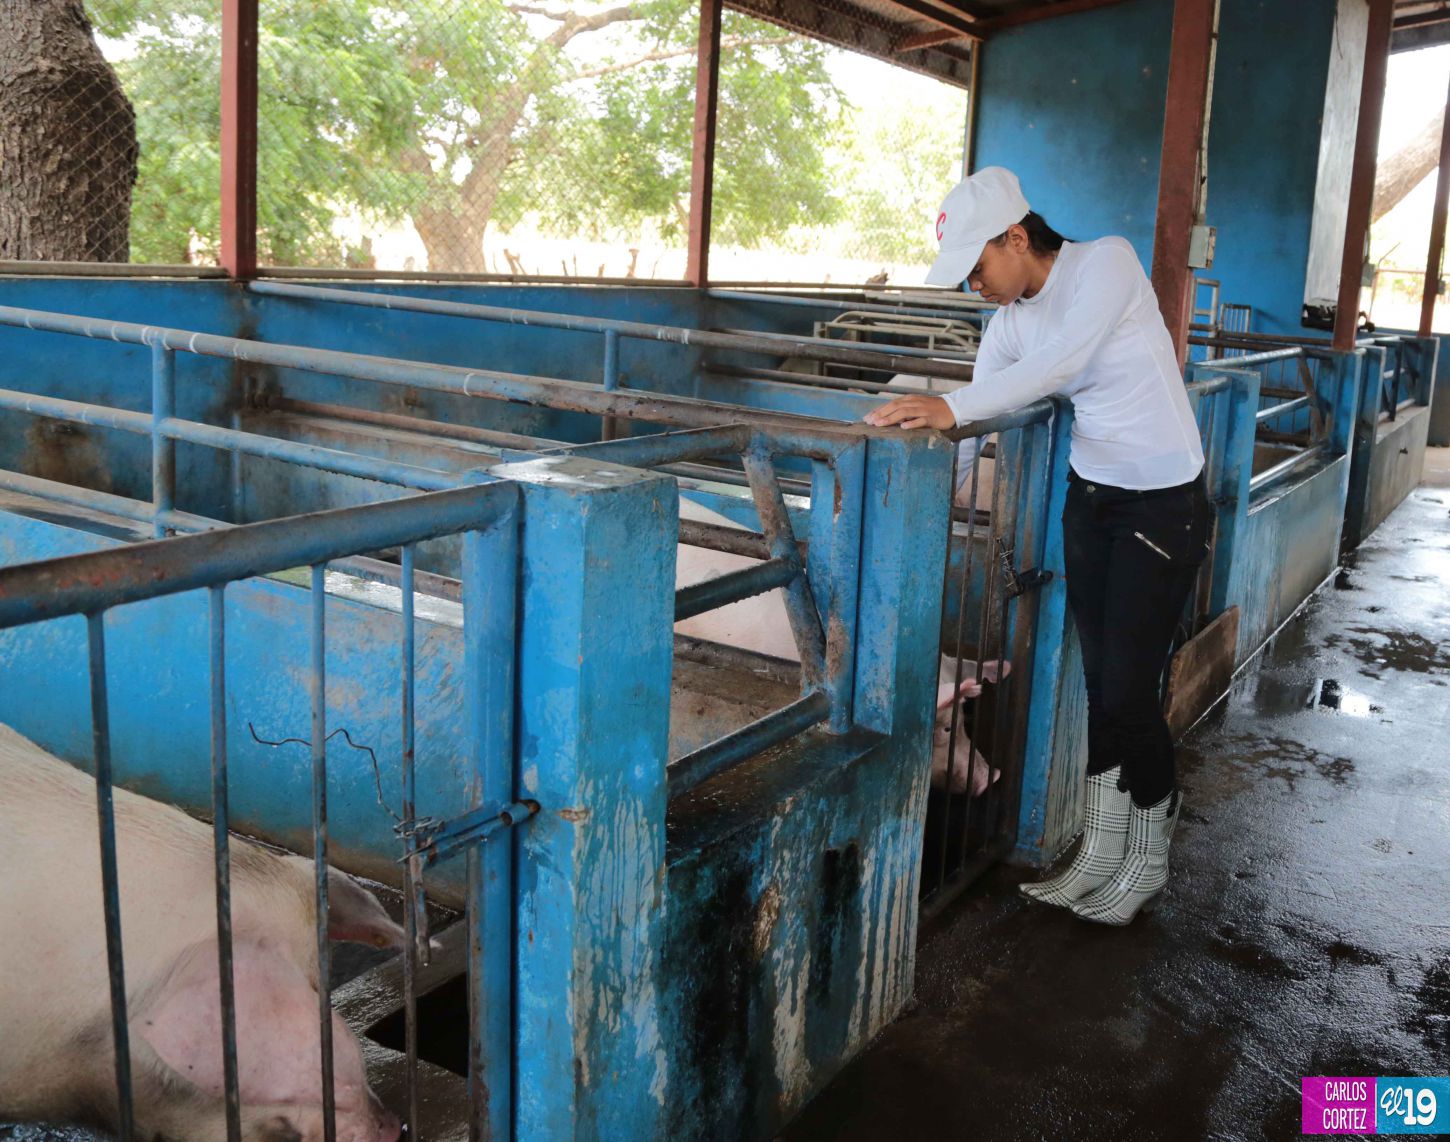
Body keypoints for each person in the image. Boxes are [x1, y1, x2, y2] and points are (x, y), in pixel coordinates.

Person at [865, 167, 1210, 926]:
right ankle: (1098, 852)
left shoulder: (1106, 264)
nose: (974, 288)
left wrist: (947, 401)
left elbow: (1061, 370)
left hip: (1164, 503)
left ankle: (1146, 859)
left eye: (978, 269)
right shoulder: (1009, 323)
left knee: (1129, 690)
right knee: (1100, 686)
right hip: (1093, 501)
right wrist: (923, 497)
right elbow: (969, 430)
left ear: (1016, 237)